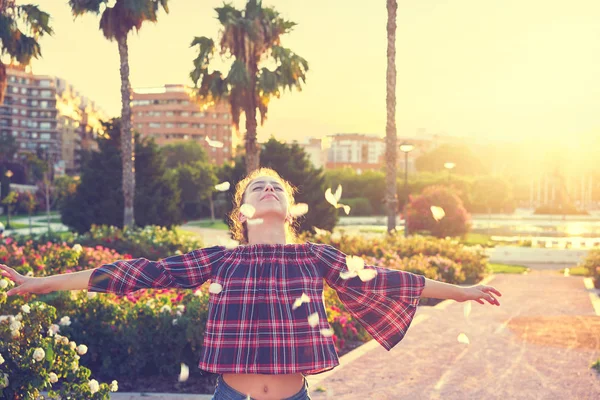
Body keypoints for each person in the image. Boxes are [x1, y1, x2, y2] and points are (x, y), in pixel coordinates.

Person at [0, 168, 501, 400]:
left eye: (276, 187)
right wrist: (39, 283)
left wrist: (461, 291)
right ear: (243, 208)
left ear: (289, 206)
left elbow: (387, 280)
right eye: (257, 186)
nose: (267, 189)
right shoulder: (220, 260)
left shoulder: (315, 258)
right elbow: (134, 274)